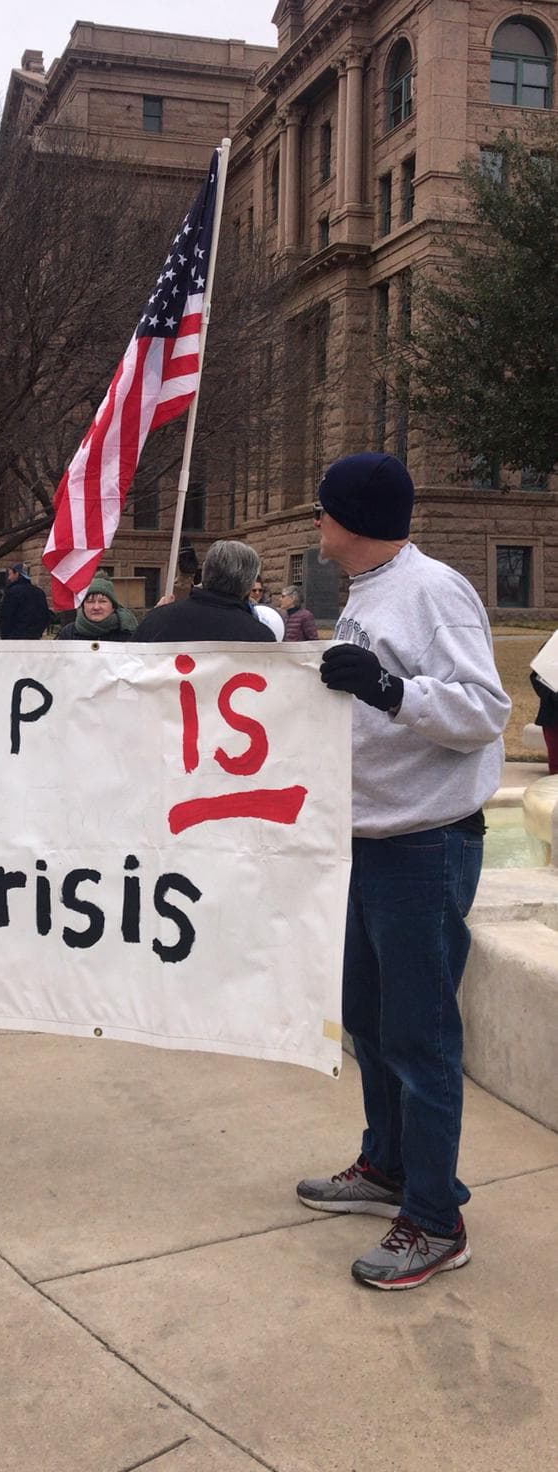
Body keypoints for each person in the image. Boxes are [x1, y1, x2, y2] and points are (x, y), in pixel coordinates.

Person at [296, 452, 510, 1290]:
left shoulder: (434, 591)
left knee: (420, 1037)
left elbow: (487, 711)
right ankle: (385, 1165)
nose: (315, 523)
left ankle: (434, 1219)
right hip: (365, 842)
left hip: (424, 846)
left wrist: (392, 690)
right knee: (367, 1021)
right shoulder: (365, 594)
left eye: (321, 511)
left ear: (352, 519)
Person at [134, 541, 276, 643]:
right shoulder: (260, 638)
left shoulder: (158, 621)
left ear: (206, 572)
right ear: (249, 583)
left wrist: (156, 617)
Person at [56, 574, 138, 641]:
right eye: (90, 601)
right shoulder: (69, 633)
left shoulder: (127, 632)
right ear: (83, 606)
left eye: (103, 601)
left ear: (113, 606)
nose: (96, 607)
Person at [0, 562, 51, 640]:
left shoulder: (12, 592)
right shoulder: (39, 592)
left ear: (17, 574)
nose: (9, 578)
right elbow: (45, 616)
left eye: (10, 574)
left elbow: (6, 616)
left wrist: (6, 636)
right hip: (34, 637)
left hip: (15, 638)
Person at [248, 577, 285, 642]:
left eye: (260, 590)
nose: (257, 593)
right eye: (254, 590)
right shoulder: (243, 607)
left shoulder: (270, 609)